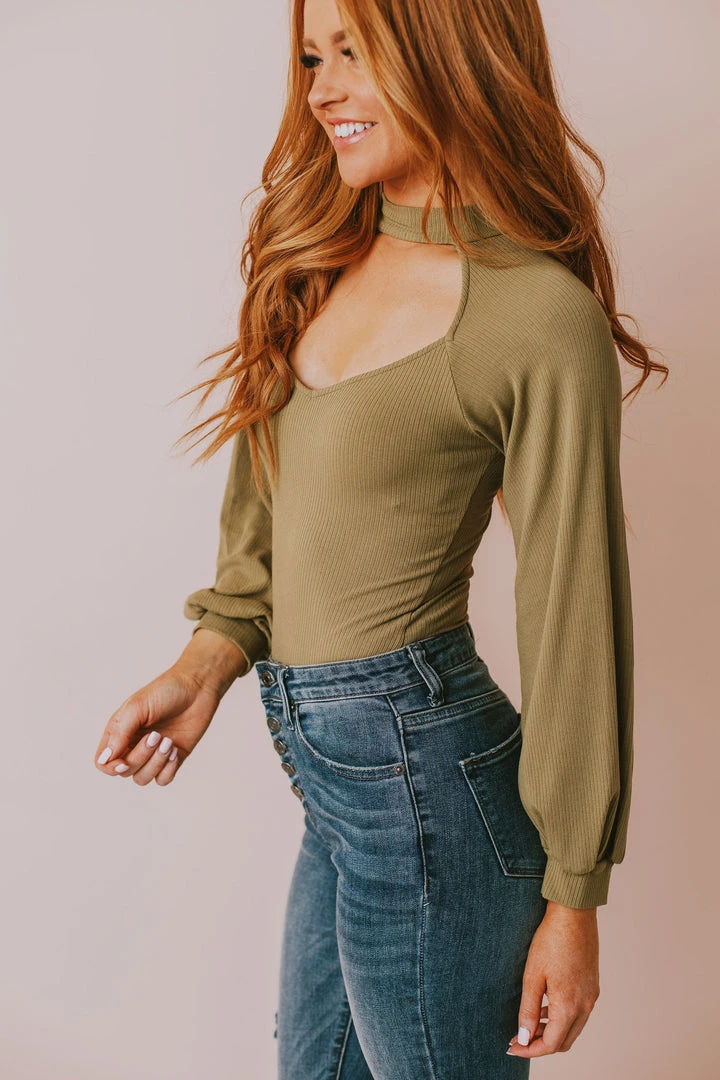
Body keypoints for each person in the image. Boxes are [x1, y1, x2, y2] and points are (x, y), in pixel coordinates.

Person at [94, 0, 668, 1076]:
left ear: (451, 49)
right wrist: (205, 664)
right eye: (313, 57)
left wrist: (574, 897)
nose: (320, 91)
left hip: (432, 794)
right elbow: (268, 517)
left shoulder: (538, 319)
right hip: (341, 799)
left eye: (354, 53)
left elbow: (573, 619)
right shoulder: (317, 263)